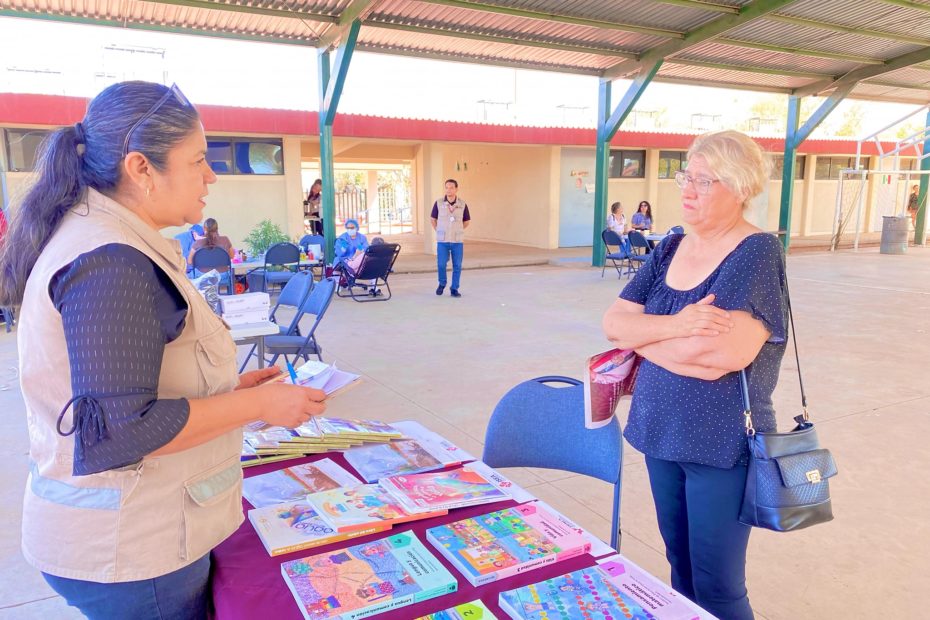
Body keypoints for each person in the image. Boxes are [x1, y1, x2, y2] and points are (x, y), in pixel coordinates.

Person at [0, 81, 327, 620]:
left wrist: (229, 389)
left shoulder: (112, 238)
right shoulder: (109, 259)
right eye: (198, 160)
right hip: (132, 551)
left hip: (127, 541)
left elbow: (134, 383)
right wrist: (259, 408)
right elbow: (119, 433)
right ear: (141, 168)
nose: (212, 175)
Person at [601, 130, 788, 620]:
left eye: (705, 181)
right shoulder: (671, 246)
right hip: (660, 431)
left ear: (742, 187)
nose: (687, 189)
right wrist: (677, 326)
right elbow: (613, 324)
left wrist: (642, 338)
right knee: (679, 568)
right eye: (688, 175)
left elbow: (721, 355)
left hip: (720, 443)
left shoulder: (756, 252)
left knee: (717, 584)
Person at [430, 178, 471, 297]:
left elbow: (467, 221)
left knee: (457, 265)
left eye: (451, 187)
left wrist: (458, 230)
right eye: (447, 187)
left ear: (456, 189)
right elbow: (433, 219)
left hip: (457, 241)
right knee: (441, 264)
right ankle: (442, 283)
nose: (449, 190)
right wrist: (438, 230)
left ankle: (454, 288)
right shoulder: (438, 203)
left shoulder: (462, 204)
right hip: (442, 240)